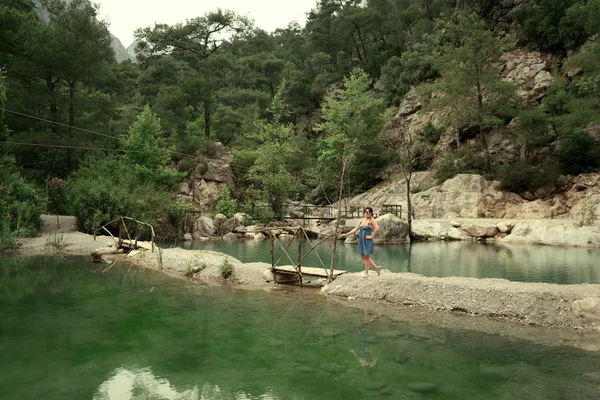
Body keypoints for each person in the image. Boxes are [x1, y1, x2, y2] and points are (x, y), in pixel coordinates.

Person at [339, 206, 381, 277]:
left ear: (371, 213)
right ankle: (376, 268)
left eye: (370, 212)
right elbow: (355, 229)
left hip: (367, 240)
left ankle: (366, 273)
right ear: (364, 212)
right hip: (361, 240)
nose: (368, 213)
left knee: (367, 256)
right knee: (362, 256)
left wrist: (371, 236)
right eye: (367, 212)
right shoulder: (362, 220)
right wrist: (346, 234)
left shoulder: (372, 220)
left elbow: (377, 228)